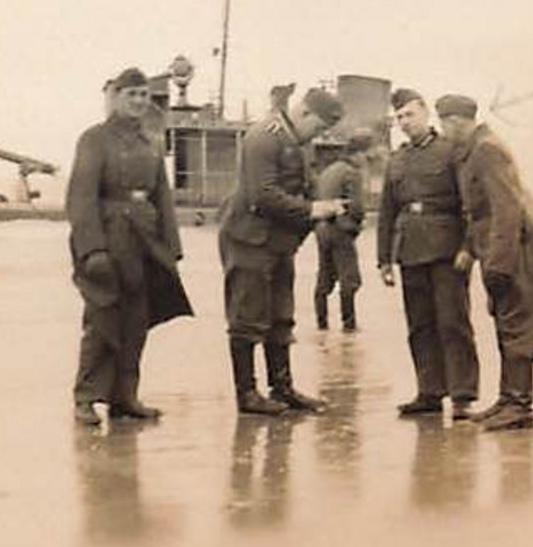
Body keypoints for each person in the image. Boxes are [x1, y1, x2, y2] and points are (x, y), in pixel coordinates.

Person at [440, 94, 533, 432]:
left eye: (444, 123)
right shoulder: (476, 150)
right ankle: (508, 399)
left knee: (518, 326)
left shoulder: (486, 150)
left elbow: (505, 210)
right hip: (504, 249)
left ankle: (518, 405)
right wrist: (472, 249)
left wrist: (498, 265)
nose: (443, 131)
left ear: (457, 121)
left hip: (518, 252)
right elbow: (481, 212)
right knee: (508, 323)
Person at [66, 68, 193, 426]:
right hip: (109, 238)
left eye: (143, 95)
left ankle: (125, 397)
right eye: (131, 95)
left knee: (136, 321)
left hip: (145, 242)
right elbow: (81, 197)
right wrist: (92, 250)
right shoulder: (94, 139)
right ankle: (86, 398)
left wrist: (172, 248)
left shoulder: (151, 141)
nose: (138, 102)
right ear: (116, 97)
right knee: (102, 318)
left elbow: (162, 197)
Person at [218, 87, 347, 415]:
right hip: (249, 239)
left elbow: (301, 186)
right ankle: (246, 394)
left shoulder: (296, 142)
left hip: (277, 243)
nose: (320, 134)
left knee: (280, 315)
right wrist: (312, 210)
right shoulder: (265, 136)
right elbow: (261, 194)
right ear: (303, 112)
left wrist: (322, 205)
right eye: (318, 127)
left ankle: (282, 387)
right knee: (247, 317)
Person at [377, 89, 480, 419]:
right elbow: (387, 213)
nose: (405, 123)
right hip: (410, 250)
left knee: (453, 323)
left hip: (447, 252)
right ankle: (430, 391)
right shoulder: (398, 159)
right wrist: (384, 259)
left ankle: (463, 395)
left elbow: (471, 206)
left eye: (410, 115)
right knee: (419, 325)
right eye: (399, 118)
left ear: (425, 113)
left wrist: (469, 248)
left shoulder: (451, 152)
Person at [312, 128, 374, 332]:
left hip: (322, 228)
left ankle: (321, 323)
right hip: (341, 230)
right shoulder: (351, 172)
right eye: (366, 154)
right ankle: (349, 324)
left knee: (324, 277)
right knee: (350, 279)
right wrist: (357, 223)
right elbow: (356, 207)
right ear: (359, 153)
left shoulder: (328, 171)